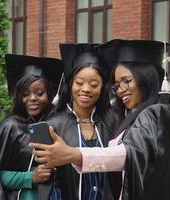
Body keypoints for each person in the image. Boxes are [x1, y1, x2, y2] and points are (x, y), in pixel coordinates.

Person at [31, 39, 170, 200]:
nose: (120, 91)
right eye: (117, 85)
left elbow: (127, 154)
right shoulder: (51, 125)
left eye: (126, 81)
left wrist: (73, 154)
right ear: (70, 84)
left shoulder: (155, 113)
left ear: (146, 76)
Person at [0, 54, 63, 200]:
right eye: (25, 94)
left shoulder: (58, 125)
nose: (32, 98)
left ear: (49, 95)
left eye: (39, 93)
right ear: (19, 96)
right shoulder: (10, 127)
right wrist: (31, 177)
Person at [47, 43, 114, 200]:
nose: (86, 89)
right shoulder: (53, 125)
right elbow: (49, 182)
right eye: (79, 83)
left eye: (94, 84)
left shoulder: (113, 123)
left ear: (102, 87)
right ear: (70, 84)